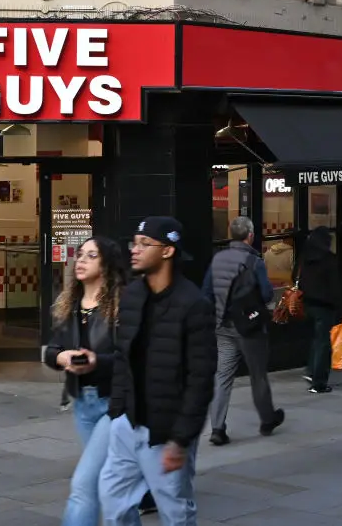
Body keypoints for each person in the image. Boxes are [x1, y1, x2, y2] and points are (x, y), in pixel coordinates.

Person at [99, 216, 217, 526]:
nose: (134, 250)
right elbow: (123, 356)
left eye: (144, 244)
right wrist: (117, 412)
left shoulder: (193, 304)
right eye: (133, 243)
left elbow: (201, 379)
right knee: (112, 502)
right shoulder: (132, 295)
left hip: (166, 430)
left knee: (175, 510)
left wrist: (180, 439)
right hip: (128, 422)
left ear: (167, 251)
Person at [45, 238, 128, 526]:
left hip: (113, 404)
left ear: (106, 265)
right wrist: (62, 357)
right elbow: (51, 350)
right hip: (83, 404)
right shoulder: (68, 305)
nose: (80, 260)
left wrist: (97, 362)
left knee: (83, 484)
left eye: (91, 256)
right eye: (80, 254)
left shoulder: (121, 306)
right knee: (111, 483)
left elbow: (131, 358)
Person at [202, 216, 285, 445]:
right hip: (250, 328)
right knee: (258, 375)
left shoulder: (217, 259)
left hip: (223, 326)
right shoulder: (254, 262)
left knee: (222, 377)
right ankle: (267, 420)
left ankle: (217, 428)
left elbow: (206, 293)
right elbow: (267, 294)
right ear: (250, 236)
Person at [298, 226, 342, 394]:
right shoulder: (329, 260)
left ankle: (311, 371)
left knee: (316, 340)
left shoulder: (305, 258)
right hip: (325, 306)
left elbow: (297, 278)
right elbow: (335, 288)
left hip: (307, 304)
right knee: (323, 343)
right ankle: (318, 382)